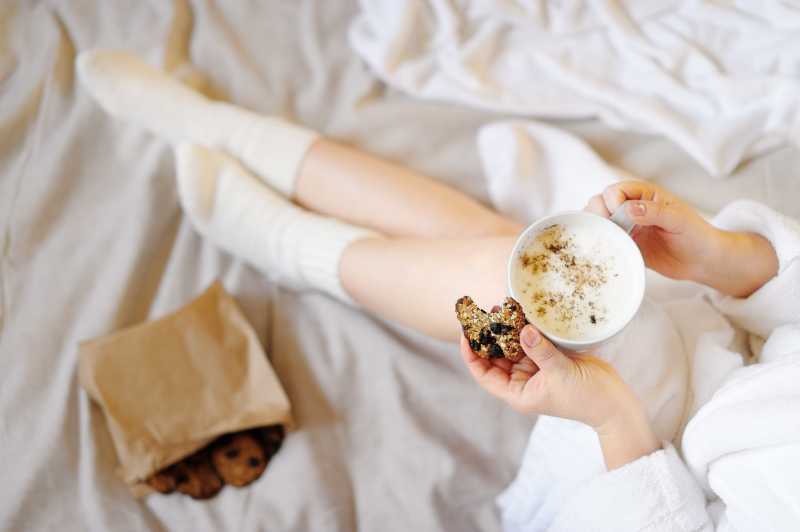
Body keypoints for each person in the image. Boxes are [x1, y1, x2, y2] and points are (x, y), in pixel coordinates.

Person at [76, 50, 800, 531]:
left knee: (501, 292)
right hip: (716, 345)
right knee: (518, 260)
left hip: (646, 463)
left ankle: (283, 235)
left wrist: (613, 420)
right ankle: (234, 141)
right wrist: (724, 257)